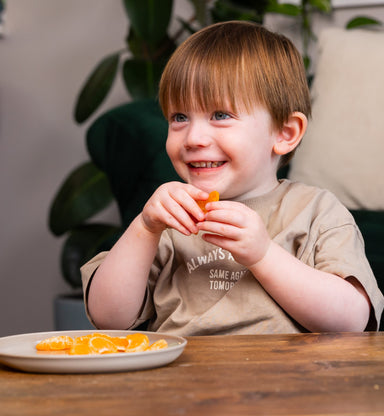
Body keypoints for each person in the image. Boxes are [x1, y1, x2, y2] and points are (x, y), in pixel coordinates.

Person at [81, 21, 384, 335]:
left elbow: (351, 322)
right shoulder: (170, 219)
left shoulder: (316, 212)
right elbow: (108, 318)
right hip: (182, 366)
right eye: (180, 117)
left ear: (285, 133)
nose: (194, 138)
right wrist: (145, 228)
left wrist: (263, 255)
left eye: (220, 115)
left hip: (285, 366)